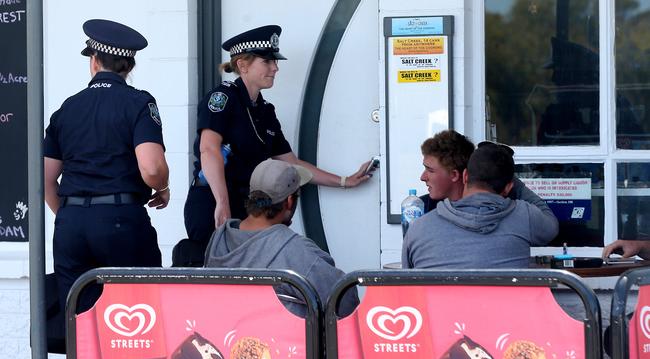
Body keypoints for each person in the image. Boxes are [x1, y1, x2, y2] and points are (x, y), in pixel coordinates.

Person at [184, 25, 372, 251]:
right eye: (267, 62)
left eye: (275, 62)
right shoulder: (222, 98)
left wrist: (344, 181)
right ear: (243, 65)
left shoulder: (264, 110)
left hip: (248, 206)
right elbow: (209, 149)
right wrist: (222, 203)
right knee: (215, 281)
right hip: (213, 203)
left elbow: (291, 163)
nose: (275, 68)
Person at [44, 19, 168, 311]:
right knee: (138, 319)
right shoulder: (138, 102)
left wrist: (70, 215)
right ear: (129, 66)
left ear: (94, 61)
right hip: (120, 221)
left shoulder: (66, 108)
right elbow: (151, 169)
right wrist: (162, 186)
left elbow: (44, 181)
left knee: (80, 320)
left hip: (71, 225)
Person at [204, 159, 359, 317]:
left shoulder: (219, 239)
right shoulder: (295, 250)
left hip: (228, 338)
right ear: (290, 201)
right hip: (286, 340)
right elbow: (345, 302)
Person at [402, 143, 559, 269]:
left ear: (465, 176)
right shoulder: (524, 216)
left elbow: (408, 286)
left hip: (440, 310)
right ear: (508, 187)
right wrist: (514, 183)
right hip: (503, 309)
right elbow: (551, 224)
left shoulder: (418, 229)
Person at [419, 130, 552, 215]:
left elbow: (549, 224)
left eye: (430, 170)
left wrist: (504, 173)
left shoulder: (498, 208)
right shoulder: (420, 207)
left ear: (456, 175)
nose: (422, 177)